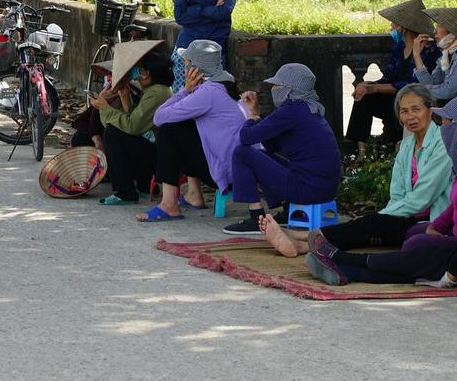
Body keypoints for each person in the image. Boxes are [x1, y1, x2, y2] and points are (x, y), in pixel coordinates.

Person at [307, 110, 457, 292]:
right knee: (429, 257)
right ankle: (347, 269)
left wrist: (450, 277)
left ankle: (341, 260)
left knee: (430, 261)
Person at [298, 96, 457, 284]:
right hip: (447, 230)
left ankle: (342, 262)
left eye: (447, 123)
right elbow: (453, 206)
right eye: (404, 111)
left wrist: (454, 269)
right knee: (412, 239)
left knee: (416, 246)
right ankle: (344, 269)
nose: (443, 127)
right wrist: (436, 227)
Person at [259, 84, 452, 255]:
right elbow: (397, 193)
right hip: (407, 215)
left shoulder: (442, 145)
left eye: (416, 109)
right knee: (370, 228)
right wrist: (387, 216)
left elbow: (422, 198)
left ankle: (302, 238)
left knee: (372, 224)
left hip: (433, 219)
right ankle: (304, 243)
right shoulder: (407, 146)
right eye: (404, 111)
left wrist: (384, 216)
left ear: (430, 110)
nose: (410, 117)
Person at [222, 63, 342, 236]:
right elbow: (270, 145)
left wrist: (252, 116)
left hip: (308, 189)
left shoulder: (292, 110)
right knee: (263, 155)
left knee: (241, 152)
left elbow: (246, 138)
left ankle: (257, 218)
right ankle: (288, 211)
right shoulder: (309, 108)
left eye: (277, 85)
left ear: (289, 90)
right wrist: (258, 116)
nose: (273, 89)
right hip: (324, 189)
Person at [138, 39, 246, 222]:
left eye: (186, 63)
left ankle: (169, 205)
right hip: (236, 168)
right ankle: (194, 195)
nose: (184, 66)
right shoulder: (225, 82)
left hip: (227, 173)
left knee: (169, 131)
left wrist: (185, 90)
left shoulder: (208, 92)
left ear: (196, 69)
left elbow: (159, 117)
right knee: (185, 125)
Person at [346, 0, 441, 160]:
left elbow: (413, 84)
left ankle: (399, 148)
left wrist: (375, 88)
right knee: (364, 97)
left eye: (394, 24)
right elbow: (388, 77)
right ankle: (361, 151)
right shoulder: (399, 48)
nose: (391, 27)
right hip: (393, 97)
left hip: (414, 99)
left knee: (402, 100)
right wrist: (369, 85)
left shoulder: (429, 50)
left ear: (404, 27)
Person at [86, 41, 174, 205]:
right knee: (94, 135)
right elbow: (135, 120)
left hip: (158, 152)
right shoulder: (155, 90)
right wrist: (124, 98)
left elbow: (133, 127)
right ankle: (141, 185)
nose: (136, 75)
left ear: (147, 73)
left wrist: (104, 107)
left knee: (112, 133)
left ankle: (125, 191)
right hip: (153, 146)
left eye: (139, 71)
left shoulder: (157, 93)